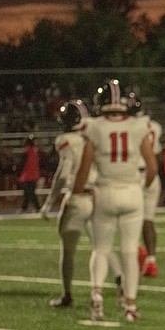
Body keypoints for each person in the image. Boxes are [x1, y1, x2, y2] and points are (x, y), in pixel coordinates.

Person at [73, 79, 158, 322]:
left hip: (105, 190)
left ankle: (97, 294)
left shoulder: (94, 127)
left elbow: (84, 167)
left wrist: (77, 192)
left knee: (101, 248)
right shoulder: (138, 125)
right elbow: (152, 166)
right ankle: (130, 306)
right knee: (130, 251)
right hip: (131, 190)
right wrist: (141, 187)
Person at [41, 99, 123, 308]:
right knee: (102, 245)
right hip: (98, 195)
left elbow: (64, 172)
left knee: (68, 251)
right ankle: (121, 281)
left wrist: (50, 201)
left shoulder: (66, 140)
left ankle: (67, 295)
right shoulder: (96, 135)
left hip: (78, 198)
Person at [127, 93, 163, 278]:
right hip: (152, 174)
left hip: (134, 175)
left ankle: (138, 254)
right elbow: (156, 154)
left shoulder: (131, 126)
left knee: (129, 218)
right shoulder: (154, 126)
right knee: (148, 219)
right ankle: (151, 260)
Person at [17, 135, 41, 212]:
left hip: (28, 175)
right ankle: (25, 207)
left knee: (29, 192)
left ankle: (37, 207)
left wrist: (18, 173)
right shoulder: (35, 151)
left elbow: (22, 163)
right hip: (33, 175)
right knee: (28, 192)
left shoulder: (27, 151)